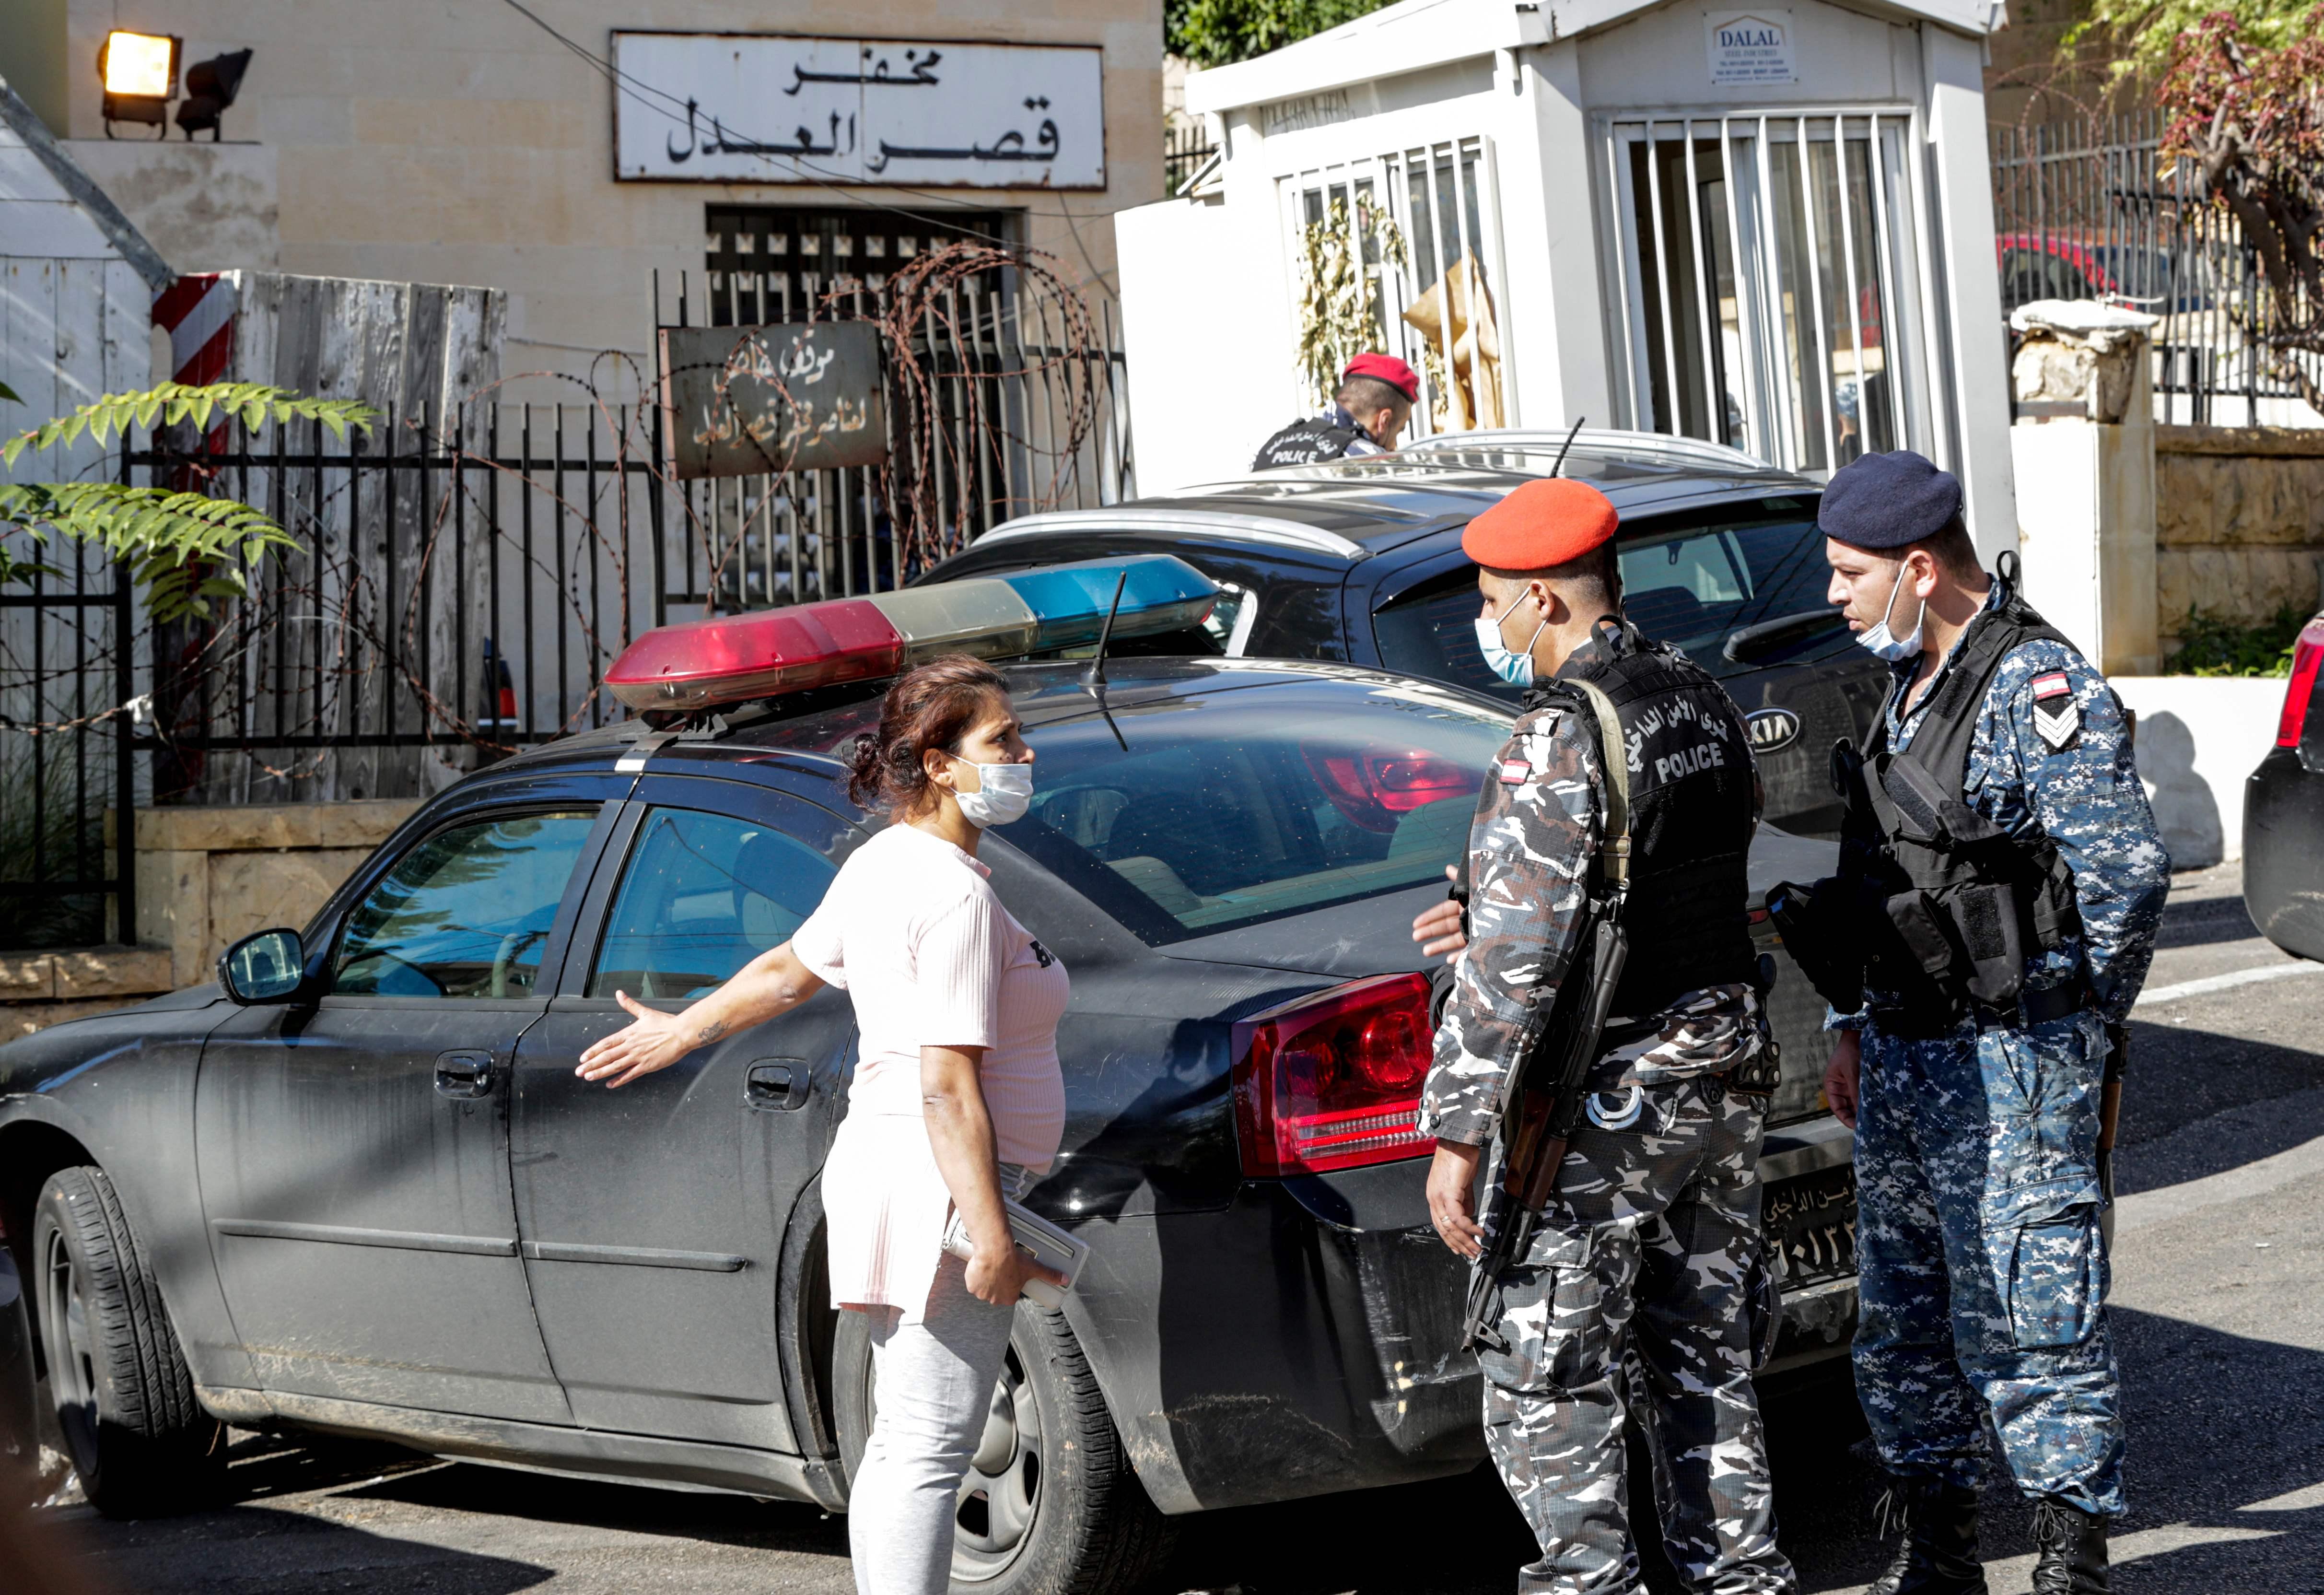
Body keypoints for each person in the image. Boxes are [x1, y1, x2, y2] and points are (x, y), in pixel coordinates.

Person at [574, 655, 1070, 1595]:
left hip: (883, 1167)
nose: (1024, 753)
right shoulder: (953, 895)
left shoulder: (886, 862)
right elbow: (948, 1084)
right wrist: (993, 1234)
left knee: (903, 1434)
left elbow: (787, 969)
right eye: (1001, 739)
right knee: (931, 1435)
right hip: (937, 1180)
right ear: (936, 761)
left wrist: (683, 1029)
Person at [1412, 477, 1796, 1595]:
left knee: (1545, 1372)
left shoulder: (1559, 732)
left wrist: (1458, 1130)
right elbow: (1670, 871)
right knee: (1706, 1363)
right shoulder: (1693, 694)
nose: (1488, 629)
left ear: (1542, 599)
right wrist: (1491, 896)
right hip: (1721, 1072)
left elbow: (1513, 969)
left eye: (1493, 604)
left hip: (1609, 1093)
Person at [1809, 451, 2168, 1595]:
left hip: (2011, 1057)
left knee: (2031, 1312)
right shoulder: (1910, 683)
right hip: (1911, 1059)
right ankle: (1940, 1548)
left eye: (1848, 573)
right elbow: (1889, 881)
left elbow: (2123, 874)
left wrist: (2068, 1023)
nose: (1833, 595)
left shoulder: (2034, 686)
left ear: (1919, 568)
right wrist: (1853, 1020)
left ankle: (2068, 1562)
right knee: (1904, 1319)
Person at [1251, 352, 1419, 469]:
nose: (1394, 447)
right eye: (1399, 430)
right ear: (1385, 421)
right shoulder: (1368, 461)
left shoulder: (1271, 446)